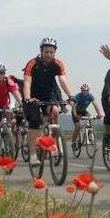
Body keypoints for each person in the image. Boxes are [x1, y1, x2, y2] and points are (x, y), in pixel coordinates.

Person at [23, 37, 75, 166]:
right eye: (46, 52)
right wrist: (28, 98)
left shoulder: (58, 64)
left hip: (49, 93)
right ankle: (33, 155)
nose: (49, 54)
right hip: (33, 95)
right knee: (34, 121)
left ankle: (53, 144)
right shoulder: (32, 63)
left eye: (51, 52)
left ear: (55, 52)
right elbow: (27, 82)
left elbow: (62, 80)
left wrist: (70, 95)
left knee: (55, 111)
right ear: (41, 51)